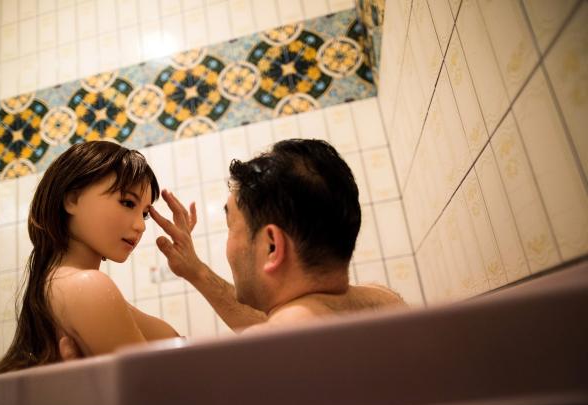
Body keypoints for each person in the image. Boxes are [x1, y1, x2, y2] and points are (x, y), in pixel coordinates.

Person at [148, 138, 405, 334]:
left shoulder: (265, 346)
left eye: (230, 227)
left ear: (272, 245)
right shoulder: (387, 303)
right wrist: (196, 271)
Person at [0, 141, 186, 378]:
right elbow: (156, 391)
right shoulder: (88, 287)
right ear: (72, 200)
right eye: (127, 203)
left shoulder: (55, 284)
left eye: (145, 214)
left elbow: (169, 346)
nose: (140, 226)